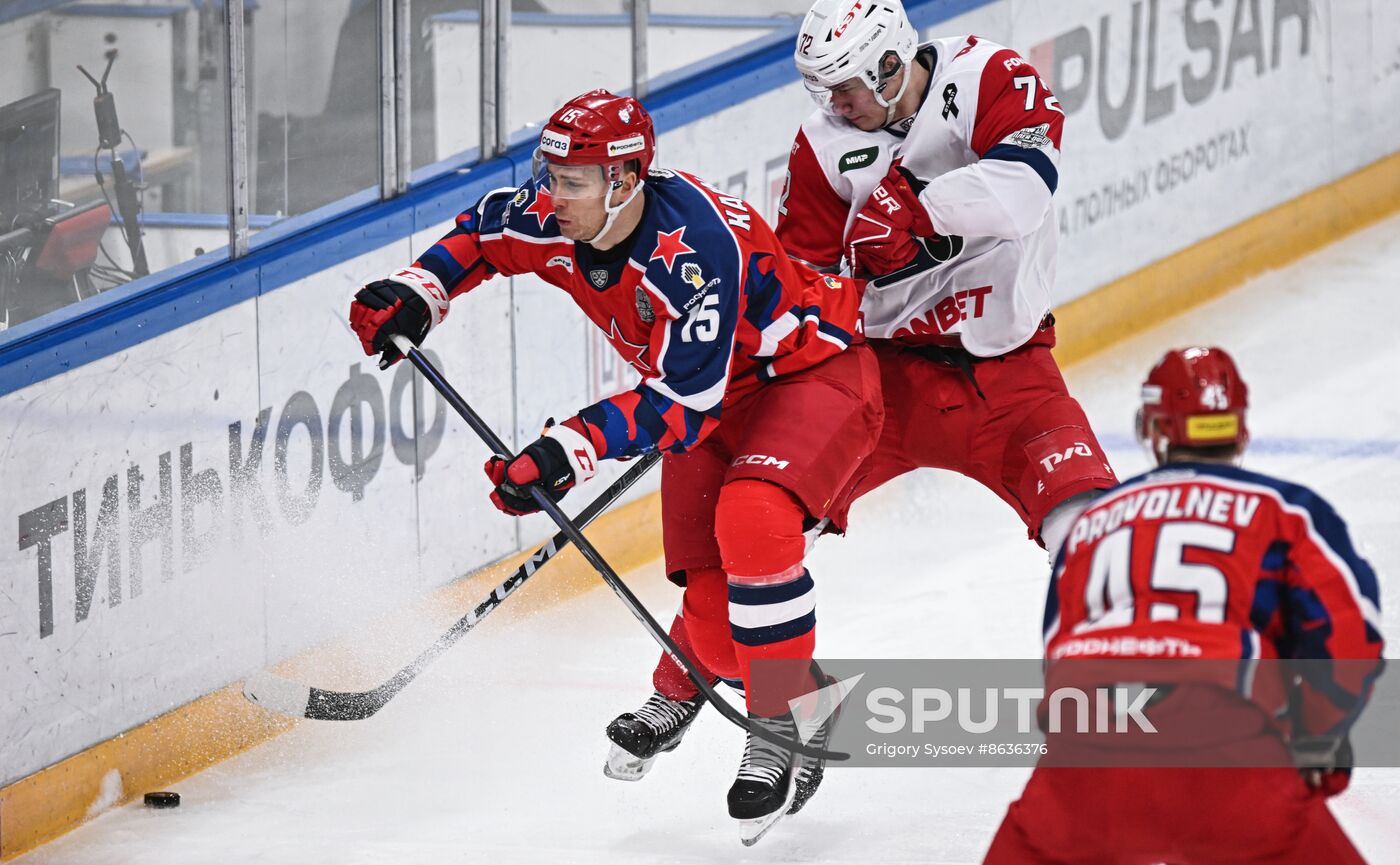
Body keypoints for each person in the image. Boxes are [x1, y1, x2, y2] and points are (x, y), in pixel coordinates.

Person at [347, 90, 883, 839]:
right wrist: (419, 291)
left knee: (753, 520)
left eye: (572, 182)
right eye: (551, 176)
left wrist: (565, 449)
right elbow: (483, 233)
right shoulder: (561, 214)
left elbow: (681, 407)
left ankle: (778, 722)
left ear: (625, 181)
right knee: (713, 611)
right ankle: (767, 692)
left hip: (809, 379)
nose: (552, 196)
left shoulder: (696, 254)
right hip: (711, 397)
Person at [606, 0, 1119, 780]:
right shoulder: (822, 145)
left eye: (843, 87)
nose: (833, 105)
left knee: (1089, 523)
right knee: (759, 535)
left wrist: (912, 207)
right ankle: (684, 681)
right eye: (820, 89)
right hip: (879, 380)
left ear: (888, 64)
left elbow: (1025, 188)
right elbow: (805, 283)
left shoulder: (988, 74)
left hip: (1008, 373)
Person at [981, 346, 1384, 864]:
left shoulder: (1092, 524)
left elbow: (1059, 655)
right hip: (1229, 761)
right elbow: (1350, 640)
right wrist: (1317, 735)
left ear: (1153, 429)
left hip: (1085, 768)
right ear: (1240, 429)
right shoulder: (1286, 511)